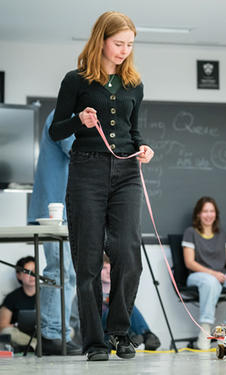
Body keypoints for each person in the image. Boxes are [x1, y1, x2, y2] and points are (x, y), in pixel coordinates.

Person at [48, 11, 154, 361]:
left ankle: (120, 333)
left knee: (127, 252)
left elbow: (133, 130)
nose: (124, 50)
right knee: (88, 258)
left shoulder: (134, 84)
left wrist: (143, 147)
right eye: (118, 43)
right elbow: (55, 131)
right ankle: (95, 341)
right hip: (86, 171)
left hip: (126, 173)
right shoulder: (76, 80)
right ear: (101, 40)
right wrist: (79, 120)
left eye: (130, 45)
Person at [27, 108, 81, 355]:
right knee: (59, 271)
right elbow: (77, 152)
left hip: (65, 210)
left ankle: (56, 333)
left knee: (65, 272)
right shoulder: (64, 115)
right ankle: (51, 335)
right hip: (53, 210)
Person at [182, 197, 226, 350]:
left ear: (216, 214)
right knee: (211, 281)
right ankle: (205, 330)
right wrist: (213, 273)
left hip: (221, 275)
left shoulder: (223, 234)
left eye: (212, 211)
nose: (209, 215)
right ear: (198, 214)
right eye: (205, 211)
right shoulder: (190, 233)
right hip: (199, 275)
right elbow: (190, 263)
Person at [101, 255, 160, 351]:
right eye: (104, 268)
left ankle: (138, 335)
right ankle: (145, 334)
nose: (108, 272)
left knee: (125, 304)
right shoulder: (91, 292)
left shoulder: (118, 290)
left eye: (110, 267)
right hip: (104, 334)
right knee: (120, 306)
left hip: (115, 331)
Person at [0, 257, 37, 352]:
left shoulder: (48, 295)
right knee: (7, 331)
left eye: (34, 271)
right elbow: (3, 325)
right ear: (19, 275)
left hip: (42, 333)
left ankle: (34, 345)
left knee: (69, 330)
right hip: (20, 334)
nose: (32, 275)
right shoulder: (12, 297)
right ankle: (37, 344)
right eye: (27, 272)